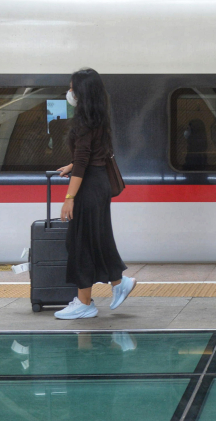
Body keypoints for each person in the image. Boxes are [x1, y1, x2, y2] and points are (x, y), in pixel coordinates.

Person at [55, 68, 135, 320]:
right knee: (96, 239)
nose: (69, 92)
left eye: (71, 87)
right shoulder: (97, 117)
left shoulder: (84, 122)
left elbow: (82, 161)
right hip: (97, 183)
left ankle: (84, 303)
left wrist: (69, 199)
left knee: (80, 244)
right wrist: (72, 165)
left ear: (81, 92)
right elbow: (88, 155)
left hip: (89, 187)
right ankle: (118, 282)